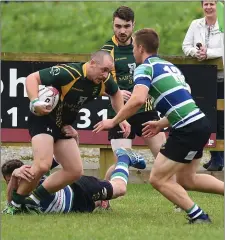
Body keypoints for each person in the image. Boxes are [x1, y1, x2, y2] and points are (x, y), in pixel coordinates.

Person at [94, 28, 224, 224]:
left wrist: (114, 121)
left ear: (139, 48)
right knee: (187, 180)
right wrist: (161, 122)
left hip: (187, 128)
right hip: (200, 123)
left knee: (157, 179)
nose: (133, 53)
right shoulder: (169, 66)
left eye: (134, 48)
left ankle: (199, 216)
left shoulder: (145, 68)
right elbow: (183, 99)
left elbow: (138, 100)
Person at [4, 50, 131, 215]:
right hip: (44, 119)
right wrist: (35, 101)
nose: (106, 74)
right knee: (43, 165)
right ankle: (13, 205)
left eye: (109, 70)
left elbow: (116, 94)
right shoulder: (69, 73)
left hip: (63, 125)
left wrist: (121, 118)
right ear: (92, 63)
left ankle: (33, 201)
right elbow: (32, 78)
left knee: (75, 171)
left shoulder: (104, 80)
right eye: (104, 69)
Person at [100, 6, 166, 207]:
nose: (122, 31)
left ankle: (178, 199)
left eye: (126, 26)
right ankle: (101, 198)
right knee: (122, 162)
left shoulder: (142, 47)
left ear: (133, 25)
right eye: (118, 26)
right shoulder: (106, 51)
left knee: (165, 157)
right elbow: (98, 84)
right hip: (120, 114)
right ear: (113, 24)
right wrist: (116, 90)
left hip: (146, 111)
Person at [2, 147, 146, 214]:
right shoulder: (14, 195)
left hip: (79, 188)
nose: (14, 184)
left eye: (17, 179)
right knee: (102, 198)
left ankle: (124, 158)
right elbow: (10, 205)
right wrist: (14, 177)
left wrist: (72, 138)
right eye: (8, 181)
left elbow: (62, 156)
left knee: (120, 189)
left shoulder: (34, 174)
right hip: (77, 207)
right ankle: (118, 167)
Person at [182, 0, 224, 171]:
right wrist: (197, 52)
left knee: (220, 117)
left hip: (221, 77)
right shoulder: (195, 24)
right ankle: (213, 156)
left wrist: (208, 54)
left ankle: (219, 157)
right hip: (203, 77)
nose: (208, 7)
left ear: (218, 5)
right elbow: (186, 46)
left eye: (211, 4)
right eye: (205, 4)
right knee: (205, 116)